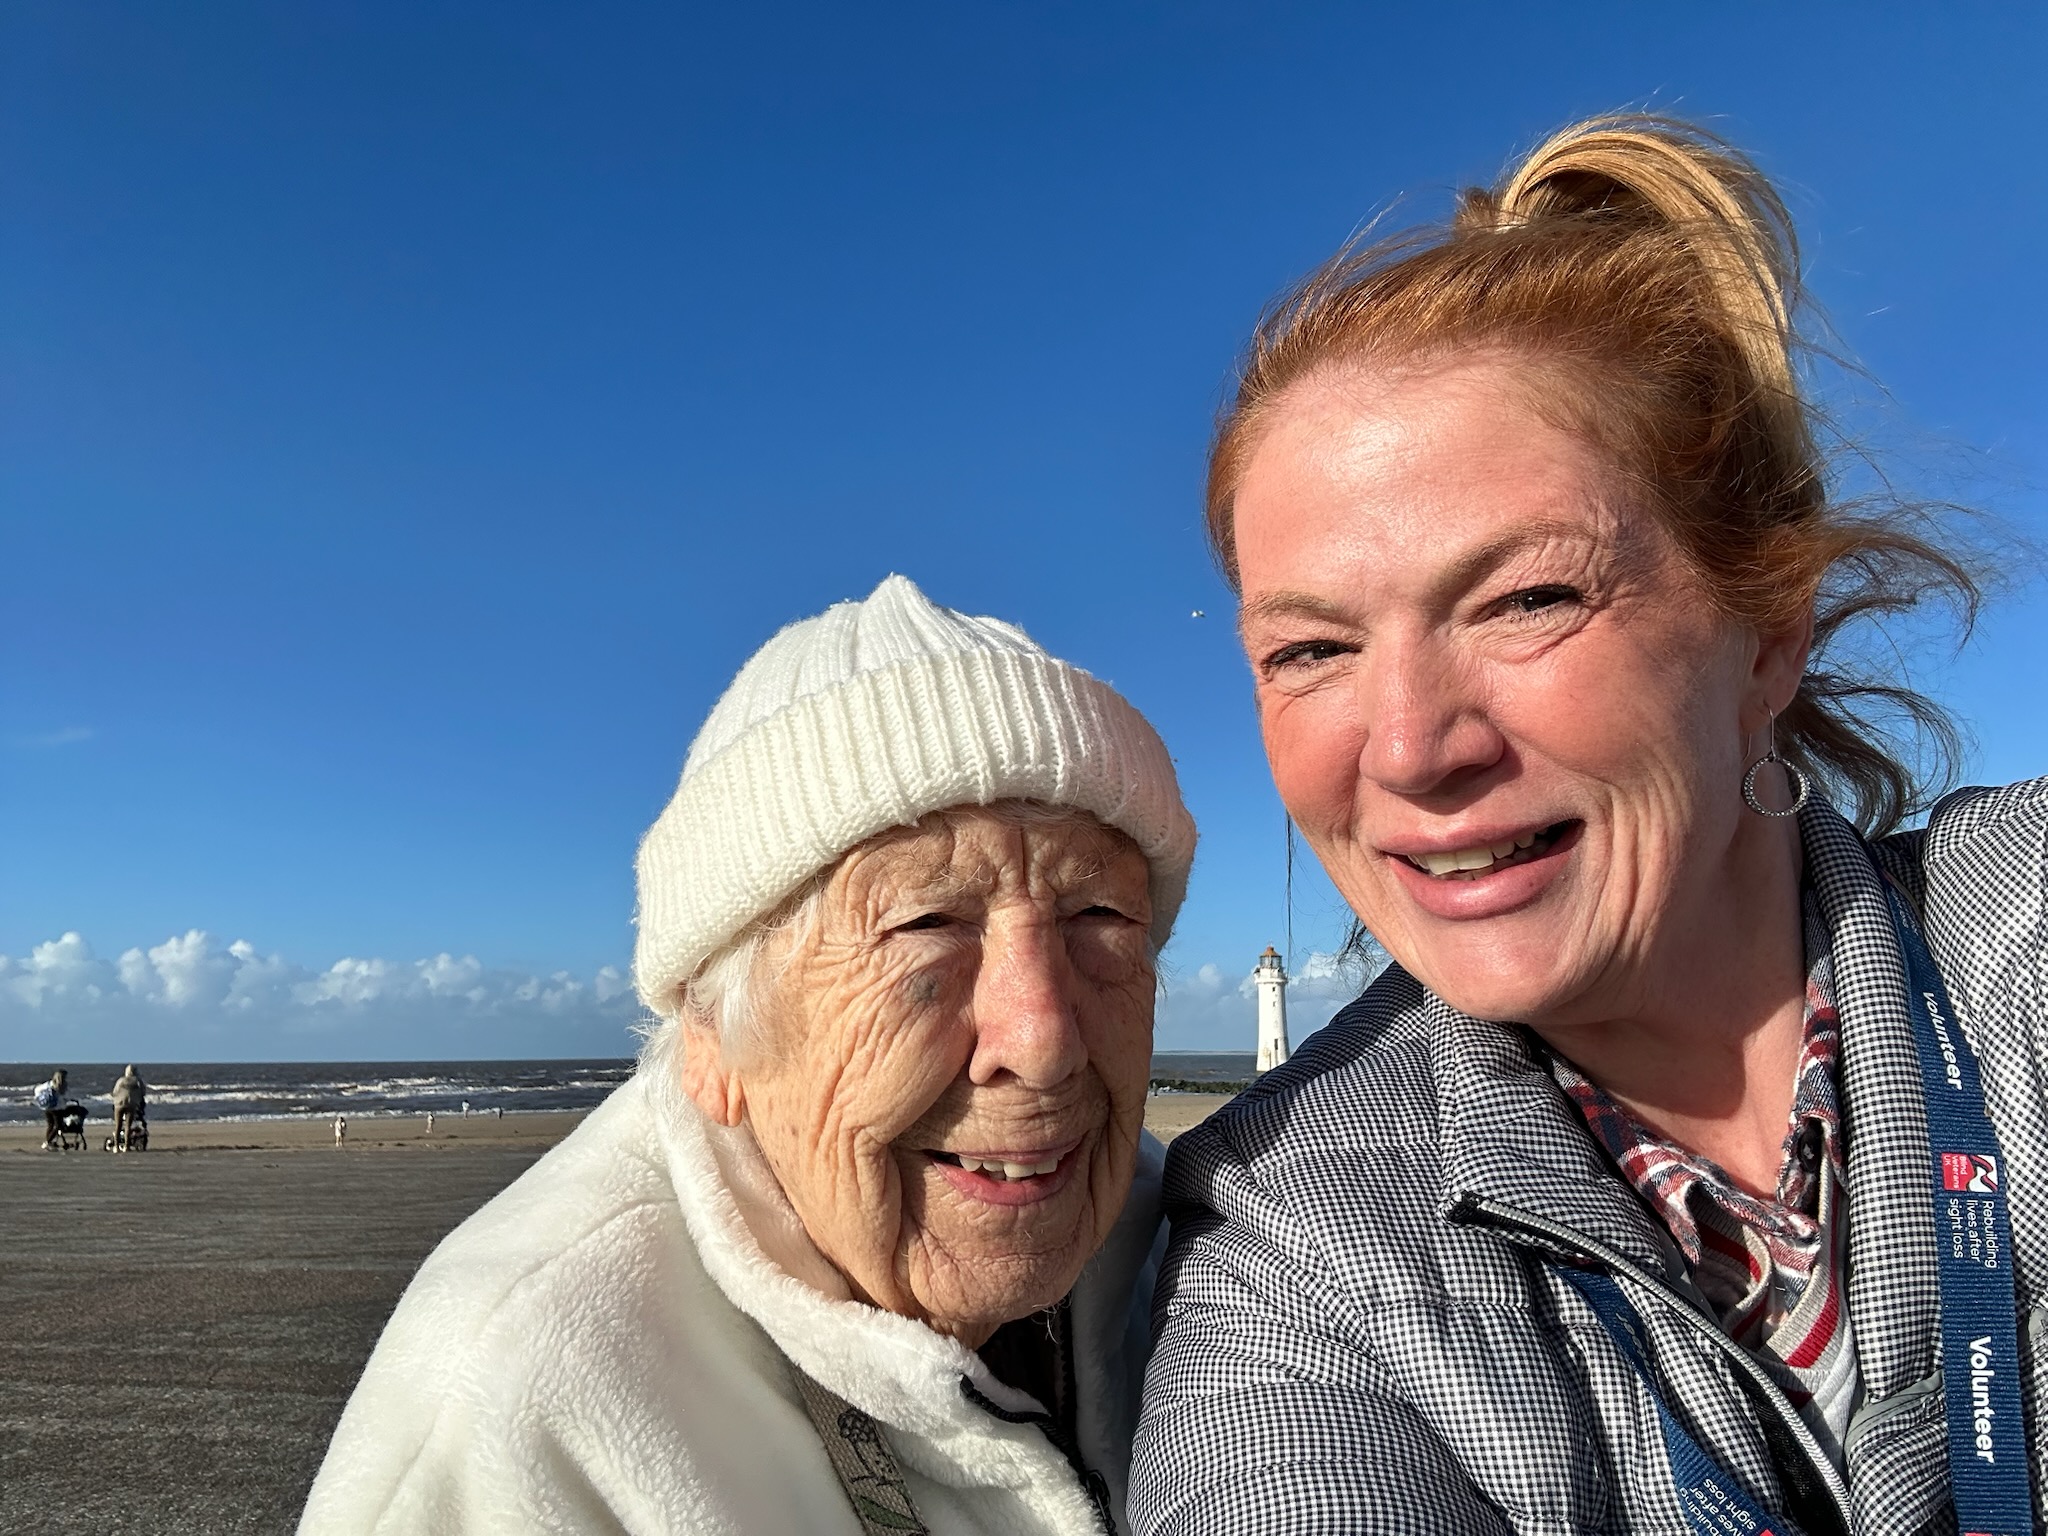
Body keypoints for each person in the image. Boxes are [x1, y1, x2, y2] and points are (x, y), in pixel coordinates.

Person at [1133, 116, 2044, 1534]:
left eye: (1526, 600)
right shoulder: (1296, 1246)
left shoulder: (2020, 954)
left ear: (1765, 635)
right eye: (1311, 651)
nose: (1411, 749)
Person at [301, 575, 1197, 1534]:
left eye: (1100, 917)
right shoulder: (521, 1411)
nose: (1045, 1041)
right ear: (711, 1037)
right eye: (925, 922)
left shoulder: (1220, 1246)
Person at [111, 1065, 146, 1150]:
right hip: (131, 1104)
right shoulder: (137, 1081)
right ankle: (126, 1146)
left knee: (118, 1125)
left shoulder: (121, 1080)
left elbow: (114, 1092)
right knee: (128, 1126)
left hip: (119, 1104)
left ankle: (116, 1146)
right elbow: (143, 1092)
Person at [33, 1069, 67, 1150]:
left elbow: (37, 1089)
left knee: (51, 1125)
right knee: (58, 1125)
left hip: (46, 1107)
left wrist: (38, 1098)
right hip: (57, 1108)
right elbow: (63, 1097)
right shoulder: (61, 1085)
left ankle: (50, 1143)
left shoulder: (48, 1084)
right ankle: (48, 1142)